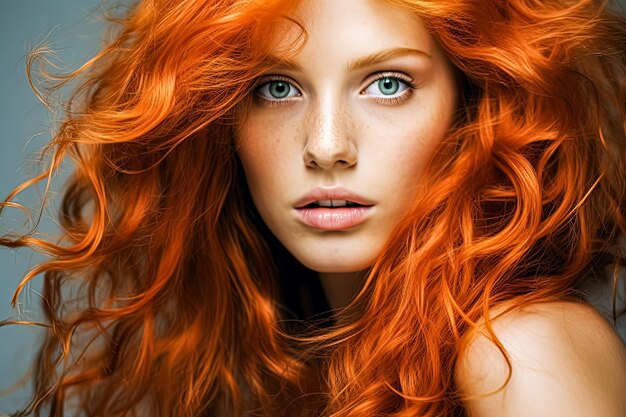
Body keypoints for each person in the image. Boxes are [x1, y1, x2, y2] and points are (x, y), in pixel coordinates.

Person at [2, 0, 626, 416]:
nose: (327, 146)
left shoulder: (518, 347)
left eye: (388, 84)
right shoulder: (312, 362)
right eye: (277, 88)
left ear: (472, 108)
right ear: (221, 119)